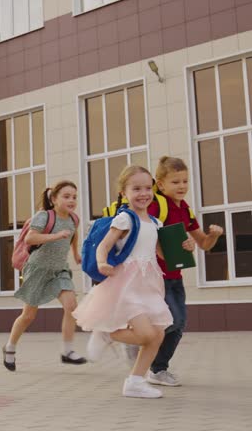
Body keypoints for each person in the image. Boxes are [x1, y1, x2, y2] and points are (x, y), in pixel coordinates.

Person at [73, 165, 173, 399]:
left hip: (149, 284)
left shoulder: (156, 223)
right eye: (136, 188)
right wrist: (100, 263)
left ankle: (135, 382)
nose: (143, 193)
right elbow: (105, 246)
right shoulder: (125, 218)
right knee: (147, 335)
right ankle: (108, 333)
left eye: (147, 188)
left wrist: (184, 246)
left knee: (158, 334)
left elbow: (162, 254)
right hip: (127, 283)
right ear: (124, 193)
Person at [146, 156, 223, 387]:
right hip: (155, 276)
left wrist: (215, 236)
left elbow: (203, 244)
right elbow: (143, 236)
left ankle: (157, 369)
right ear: (160, 184)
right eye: (175, 182)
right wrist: (168, 248)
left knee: (179, 325)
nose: (182, 186)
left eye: (185, 181)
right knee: (173, 320)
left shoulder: (185, 208)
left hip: (175, 276)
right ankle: (143, 347)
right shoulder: (156, 204)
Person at [2, 180, 87, 371]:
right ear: (55, 199)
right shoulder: (44, 216)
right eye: (66, 196)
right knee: (28, 316)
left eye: (74, 197)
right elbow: (30, 238)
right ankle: (10, 347)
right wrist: (55, 236)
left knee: (71, 306)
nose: (72, 200)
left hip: (59, 270)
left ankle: (67, 351)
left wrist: (75, 253)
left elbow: (73, 234)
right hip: (37, 270)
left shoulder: (74, 219)